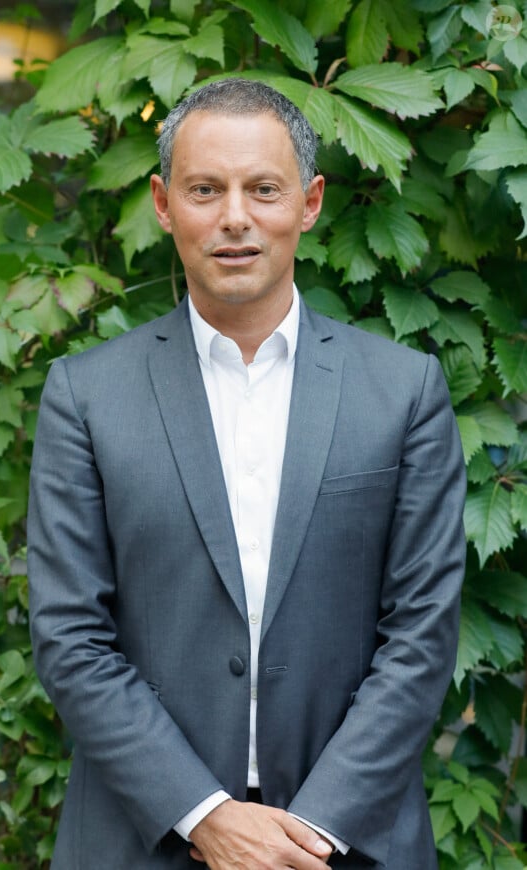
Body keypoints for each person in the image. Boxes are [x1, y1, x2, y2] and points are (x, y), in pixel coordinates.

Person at [27, 78, 466, 870]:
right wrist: (207, 818)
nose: (235, 217)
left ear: (309, 202)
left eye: (263, 189)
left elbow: (421, 636)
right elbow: (70, 637)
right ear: (164, 203)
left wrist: (309, 833)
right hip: (146, 838)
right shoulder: (86, 396)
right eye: (205, 190)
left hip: (348, 843)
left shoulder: (403, 391)